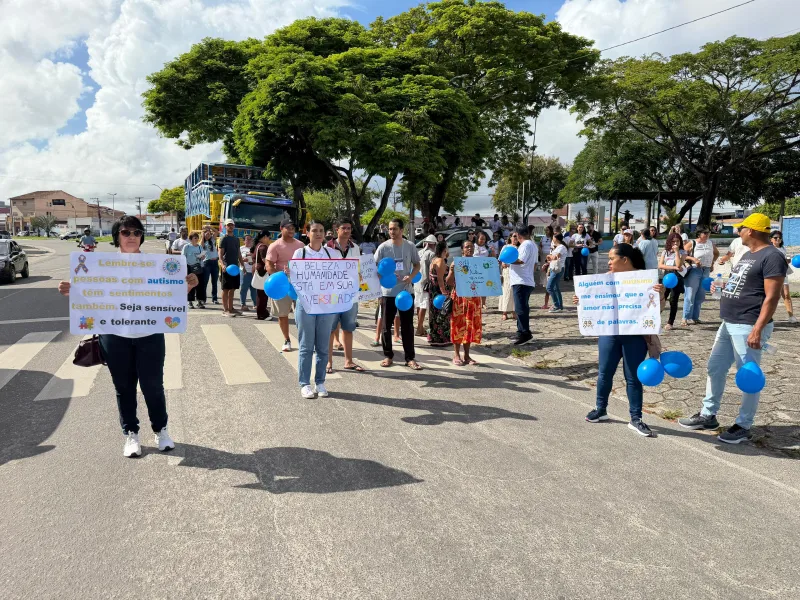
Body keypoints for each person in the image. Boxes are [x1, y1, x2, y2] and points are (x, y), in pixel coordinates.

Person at [58, 216, 198, 457]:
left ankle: (161, 430)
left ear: (142, 236)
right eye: (125, 232)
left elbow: (170, 296)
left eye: (136, 232)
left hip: (150, 334)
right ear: (117, 237)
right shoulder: (100, 265)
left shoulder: (158, 264)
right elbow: (84, 291)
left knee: (153, 386)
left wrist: (186, 285)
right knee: (124, 387)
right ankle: (131, 434)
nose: (131, 236)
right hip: (114, 335)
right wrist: (69, 289)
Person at [679, 213, 788, 443]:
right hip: (729, 321)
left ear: (752, 231)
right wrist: (726, 287)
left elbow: (772, 297)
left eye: (742, 228)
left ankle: (744, 425)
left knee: (748, 375)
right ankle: (708, 415)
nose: (738, 232)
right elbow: (745, 283)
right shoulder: (749, 254)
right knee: (715, 368)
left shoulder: (773, 256)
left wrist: (758, 329)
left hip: (748, 323)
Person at [577, 244, 662, 438]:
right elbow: (593, 302)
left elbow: (656, 309)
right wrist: (580, 300)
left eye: (612, 258)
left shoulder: (645, 279)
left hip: (635, 336)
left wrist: (660, 294)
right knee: (604, 373)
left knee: (633, 377)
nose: (608, 262)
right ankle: (600, 409)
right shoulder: (604, 279)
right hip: (609, 333)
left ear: (625, 260)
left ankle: (636, 418)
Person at [291, 221, 342, 399]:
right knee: (306, 346)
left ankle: (320, 382)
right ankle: (304, 384)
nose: (318, 234)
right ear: (308, 233)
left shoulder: (333, 254)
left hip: (326, 306)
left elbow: (341, 275)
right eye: (315, 231)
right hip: (306, 304)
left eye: (321, 231)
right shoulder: (300, 253)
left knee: (322, 347)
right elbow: (295, 279)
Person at [374, 217, 422, 370]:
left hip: (406, 292)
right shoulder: (383, 247)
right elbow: (374, 268)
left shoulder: (410, 246)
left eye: (394, 229)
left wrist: (411, 277)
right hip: (388, 292)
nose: (391, 232)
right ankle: (388, 356)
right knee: (386, 326)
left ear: (402, 230)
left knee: (407, 326)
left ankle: (410, 358)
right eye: (389, 229)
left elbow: (417, 264)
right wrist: (383, 276)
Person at [325, 218, 365, 373]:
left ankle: (348, 361)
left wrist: (361, 278)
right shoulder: (327, 248)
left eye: (349, 228)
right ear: (337, 230)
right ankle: (328, 362)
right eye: (344, 228)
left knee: (349, 328)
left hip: (350, 296)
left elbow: (358, 268)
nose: (347, 231)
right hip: (333, 295)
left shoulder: (355, 247)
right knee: (329, 329)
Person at [267, 219, 304, 347]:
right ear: (281, 228)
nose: (291, 230)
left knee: (303, 314)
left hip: (299, 284)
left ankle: (304, 341)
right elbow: (269, 265)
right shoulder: (275, 246)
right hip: (282, 284)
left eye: (293, 228)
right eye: (288, 228)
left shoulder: (301, 245)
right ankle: (287, 340)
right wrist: (279, 277)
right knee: (283, 314)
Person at [447, 239, 482, 365]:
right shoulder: (457, 263)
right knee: (458, 325)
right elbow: (449, 282)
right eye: (467, 247)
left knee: (470, 326)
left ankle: (467, 356)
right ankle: (456, 355)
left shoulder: (478, 263)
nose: (470, 249)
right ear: (462, 249)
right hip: (460, 298)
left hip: (473, 298)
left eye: (471, 247)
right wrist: (451, 271)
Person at [682, 225, 719, 325]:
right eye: (705, 233)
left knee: (701, 295)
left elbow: (716, 253)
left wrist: (712, 263)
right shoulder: (692, 243)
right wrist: (693, 259)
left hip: (706, 269)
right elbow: (682, 254)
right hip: (694, 269)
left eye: (708, 233)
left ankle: (695, 317)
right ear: (699, 234)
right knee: (690, 294)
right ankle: (686, 317)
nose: (707, 235)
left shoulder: (710, 243)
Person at [507, 225, 537, 345]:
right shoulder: (532, 244)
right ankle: (520, 332)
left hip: (521, 281)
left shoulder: (526, 245)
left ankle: (525, 333)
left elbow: (520, 260)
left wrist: (507, 260)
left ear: (519, 235)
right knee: (521, 308)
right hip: (524, 280)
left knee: (521, 309)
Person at [659, 232, 689, 331]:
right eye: (673, 242)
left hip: (677, 276)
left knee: (673, 300)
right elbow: (660, 265)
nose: (675, 243)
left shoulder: (683, 253)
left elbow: (679, 264)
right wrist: (672, 267)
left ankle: (670, 322)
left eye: (677, 241)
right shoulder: (665, 252)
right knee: (662, 298)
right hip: (667, 275)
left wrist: (676, 252)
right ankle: (655, 318)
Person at [770, 230, 797, 324]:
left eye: (779, 238)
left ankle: (791, 316)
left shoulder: (783, 249)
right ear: (771, 239)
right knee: (772, 296)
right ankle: (768, 316)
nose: (778, 239)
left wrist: (787, 261)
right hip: (772, 275)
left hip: (783, 273)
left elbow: (784, 260)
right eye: (775, 238)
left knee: (786, 294)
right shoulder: (768, 249)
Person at [428, 241, 452, 345]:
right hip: (438, 291)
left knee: (434, 314)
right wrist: (444, 291)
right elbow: (441, 279)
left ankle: (433, 336)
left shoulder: (434, 260)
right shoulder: (441, 261)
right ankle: (441, 338)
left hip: (432, 291)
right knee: (442, 313)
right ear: (444, 249)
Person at [218, 218, 243, 317]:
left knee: (232, 288)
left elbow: (239, 253)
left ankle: (231, 308)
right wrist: (222, 264)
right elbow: (220, 253)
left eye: (232, 225)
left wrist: (242, 265)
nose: (230, 226)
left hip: (235, 268)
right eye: (228, 225)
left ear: (234, 226)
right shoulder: (223, 238)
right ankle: (225, 309)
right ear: (225, 227)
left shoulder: (236, 239)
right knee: (226, 289)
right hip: (227, 267)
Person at [415, 234, 437, 337]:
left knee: (419, 305)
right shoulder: (432, 254)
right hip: (426, 282)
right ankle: (419, 328)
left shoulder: (419, 253)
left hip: (417, 281)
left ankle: (419, 326)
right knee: (423, 305)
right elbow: (432, 270)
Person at [546, 233, 569, 313]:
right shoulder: (557, 247)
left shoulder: (561, 247)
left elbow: (556, 257)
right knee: (555, 288)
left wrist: (549, 256)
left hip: (557, 269)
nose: (552, 239)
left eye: (553, 237)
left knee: (549, 287)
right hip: (553, 268)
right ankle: (560, 305)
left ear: (556, 238)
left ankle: (556, 305)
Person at [252, 230, 272, 321]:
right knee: (263, 294)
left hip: (258, 270)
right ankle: (262, 313)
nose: (269, 240)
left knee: (260, 293)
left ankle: (262, 312)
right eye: (269, 237)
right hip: (262, 272)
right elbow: (265, 260)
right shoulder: (263, 247)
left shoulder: (257, 245)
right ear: (264, 237)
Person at [183, 231, 205, 309]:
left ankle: (199, 301)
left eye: (197, 238)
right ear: (191, 239)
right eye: (195, 238)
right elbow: (183, 257)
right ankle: (190, 301)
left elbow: (203, 256)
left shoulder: (200, 247)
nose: (196, 239)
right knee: (191, 284)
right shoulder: (187, 247)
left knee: (199, 285)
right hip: (189, 267)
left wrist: (202, 257)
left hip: (198, 267)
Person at [499, 233, 518, 320]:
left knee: (514, 291)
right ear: (510, 237)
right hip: (506, 271)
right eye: (514, 236)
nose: (515, 238)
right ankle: (504, 311)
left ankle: (514, 311)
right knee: (506, 290)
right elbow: (501, 258)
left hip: (516, 272)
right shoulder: (505, 247)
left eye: (517, 236)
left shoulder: (519, 248)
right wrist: (503, 263)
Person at [200, 228, 219, 305]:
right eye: (206, 234)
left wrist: (210, 227)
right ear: (203, 234)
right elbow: (201, 247)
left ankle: (214, 299)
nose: (208, 235)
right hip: (207, 263)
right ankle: (203, 299)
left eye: (209, 234)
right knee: (205, 282)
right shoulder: (203, 243)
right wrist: (202, 236)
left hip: (215, 262)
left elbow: (217, 232)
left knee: (214, 282)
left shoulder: (212, 241)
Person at [239, 234, 257, 311]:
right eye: (247, 239)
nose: (249, 240)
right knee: (244, 288)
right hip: (245, 270)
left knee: (254, 288)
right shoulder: (241, 248)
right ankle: (243, 304)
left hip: (253, 271)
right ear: (244, 241)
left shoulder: (255, 249)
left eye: (250, 239)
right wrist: (243, 260)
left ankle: (255, 304)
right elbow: (239, 259)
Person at [538, 227, 553, 309]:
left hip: (550, 254)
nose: (546, 231)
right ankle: (542, 280)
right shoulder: (543, 238)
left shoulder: (552, 238)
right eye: (545, 230)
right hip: (543, 254)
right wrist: (540, 251)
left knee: (548, 269)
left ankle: (547, 280)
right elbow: (540, 245)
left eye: (548, 230)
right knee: (543, 268)